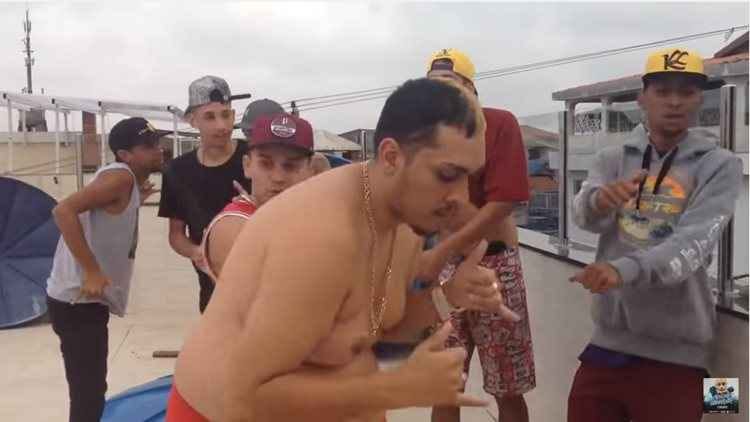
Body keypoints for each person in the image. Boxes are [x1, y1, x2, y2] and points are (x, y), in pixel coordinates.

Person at [167, 77, 522, 422]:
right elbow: (244, 397)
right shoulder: (320, 238)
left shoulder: (404, 218)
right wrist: (394, 390)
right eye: (447, 175)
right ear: (391, 157)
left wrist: (449, 295)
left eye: (469, 177)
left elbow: (382, 335)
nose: (461, 196)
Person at [567, 47, 742, 422]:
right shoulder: (610, 158)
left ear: (700, 99)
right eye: (662, 91)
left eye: (687, 91)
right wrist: (600, 202)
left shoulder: (721, 165)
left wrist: (621, 270)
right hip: (607, 344)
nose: (674, 102)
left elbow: (692, 244)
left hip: (679, 356)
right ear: (641, 98)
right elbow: (584, 216)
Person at [424, 48, 535, 422]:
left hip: (496, 266)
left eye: (451, 84)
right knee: (445, 384)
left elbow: (504, 202)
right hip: (444, 268)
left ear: (471, 90)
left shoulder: (499, 124)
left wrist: (447, 244)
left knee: (508, 387)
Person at [46, 117, 164, 422]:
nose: (159, 149)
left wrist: (136, 199)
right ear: (125, 155)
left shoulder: (126, 182)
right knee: (88, 394)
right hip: (78, 301)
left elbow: (105, 217)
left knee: (90, 390)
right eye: (148, 146)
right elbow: (63, 210)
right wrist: (92, 271)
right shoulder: (119, 179)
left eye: (157, 142)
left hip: (82, 301)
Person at [158, 75, 250, 313]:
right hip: (212, 289)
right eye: (210, 117)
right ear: (192, 120)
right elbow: (176, 235)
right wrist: (197, 253)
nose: (221, 125)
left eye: (226, 115)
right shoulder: (177, 171)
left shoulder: (255, 158)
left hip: (261, 285)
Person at [202, 112, 315, 280]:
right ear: (247, 166)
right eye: (266, 164)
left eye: (291, 166)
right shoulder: (236, 227)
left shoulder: (310, 215)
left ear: (310, 171)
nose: (278, 177)